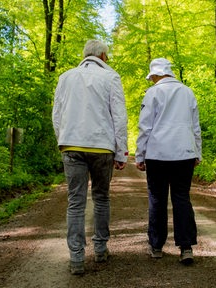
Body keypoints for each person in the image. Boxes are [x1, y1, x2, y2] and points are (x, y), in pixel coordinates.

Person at [52, 39, 128, 275]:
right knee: (101, 198)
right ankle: (100, 249)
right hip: (102, 147)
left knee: (75, 202)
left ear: (85, 55)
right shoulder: (111, 77)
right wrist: (121, 150)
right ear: (103, 56)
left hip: (71, 144)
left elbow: (57, 113)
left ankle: (76, 258)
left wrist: (61, 139)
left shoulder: (66, 77)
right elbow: (119, 116)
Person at [135, 58, 202, 265]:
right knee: (182, 197)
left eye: (152, 76)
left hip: (158, 154)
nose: (152, 80)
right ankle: (186, 247)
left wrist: (140, 155)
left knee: (157, 198)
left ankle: (156, 246)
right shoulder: (188, 92)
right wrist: (197, 152)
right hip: (184, 152)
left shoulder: (152, 93)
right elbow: (195, 126)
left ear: (156, 74)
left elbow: (145, 127)